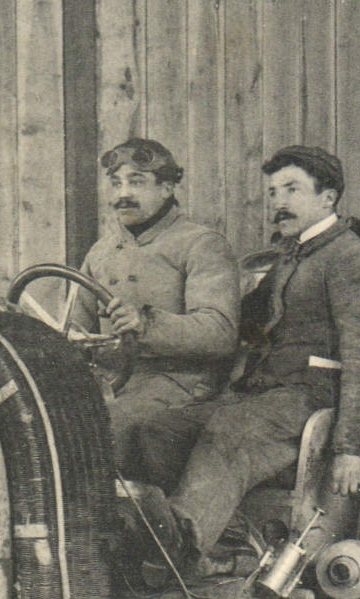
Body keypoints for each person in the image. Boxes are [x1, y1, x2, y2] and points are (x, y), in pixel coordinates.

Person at [127, 144, 360, 569]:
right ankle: (217, 540)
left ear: (329, 198)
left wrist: (350, 448)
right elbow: (244, 327)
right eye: (273, 192)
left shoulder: (352, 262)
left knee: (229, 430)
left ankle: (174, 555)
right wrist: (152, 322)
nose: (279, 202)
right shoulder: (292, 255)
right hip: (260, 396)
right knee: (159, 431)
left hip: (309, 402)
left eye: (292, 190)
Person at [64, 138, 240, 485]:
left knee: (99, 432)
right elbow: (75, 328)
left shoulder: (201, 244)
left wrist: (145, 325)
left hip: (179, 384)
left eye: (137, 182)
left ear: (168, 187)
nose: (123, 194)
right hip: (110, 383)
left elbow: (220, 332)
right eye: (116, 183)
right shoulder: (100, 253)